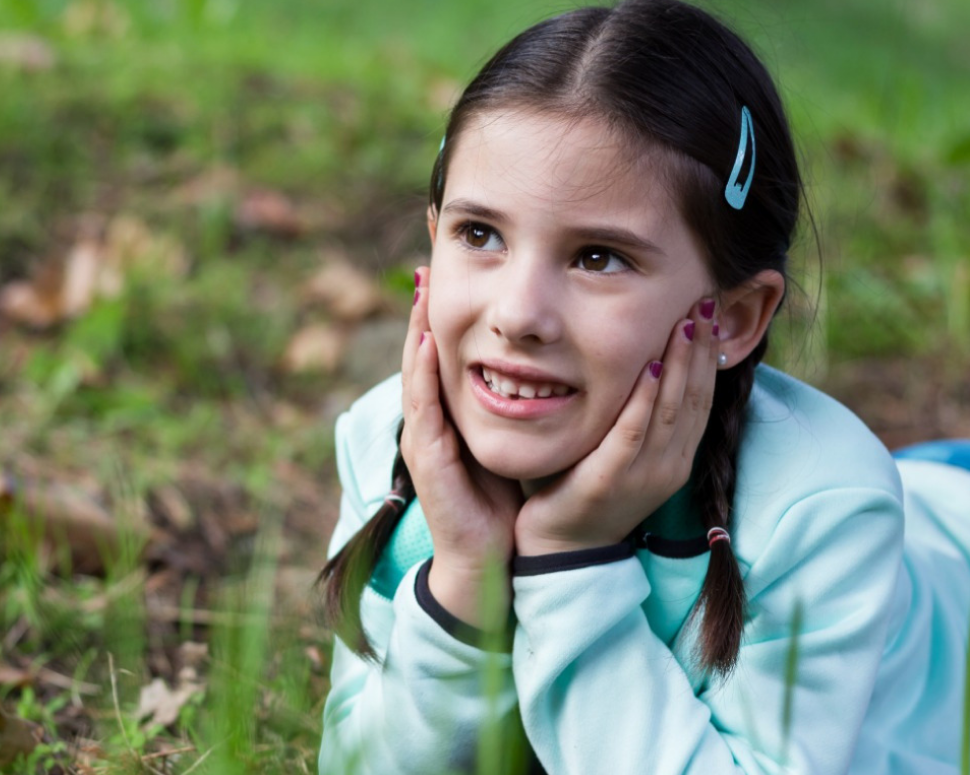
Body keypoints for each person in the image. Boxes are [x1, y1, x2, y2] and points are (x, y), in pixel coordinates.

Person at [314, 0, 970, 773]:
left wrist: (570, 558)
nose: (518, 314)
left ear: (732, 316)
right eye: (479, 234)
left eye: (597, 258)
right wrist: (464, 575)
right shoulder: (388, 439)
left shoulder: (820, 514)